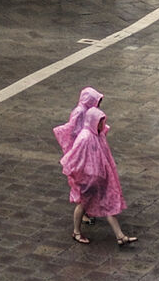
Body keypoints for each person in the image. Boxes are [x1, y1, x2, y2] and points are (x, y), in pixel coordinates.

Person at [54, 86, 137, 246]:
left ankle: (120, 236)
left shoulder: (96, 135)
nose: (102, 126)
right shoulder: (85, 137)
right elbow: (74, 158)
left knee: (107, 204)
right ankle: (77, 232)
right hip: (88, 178)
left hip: (99, 177)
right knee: (84, 204)